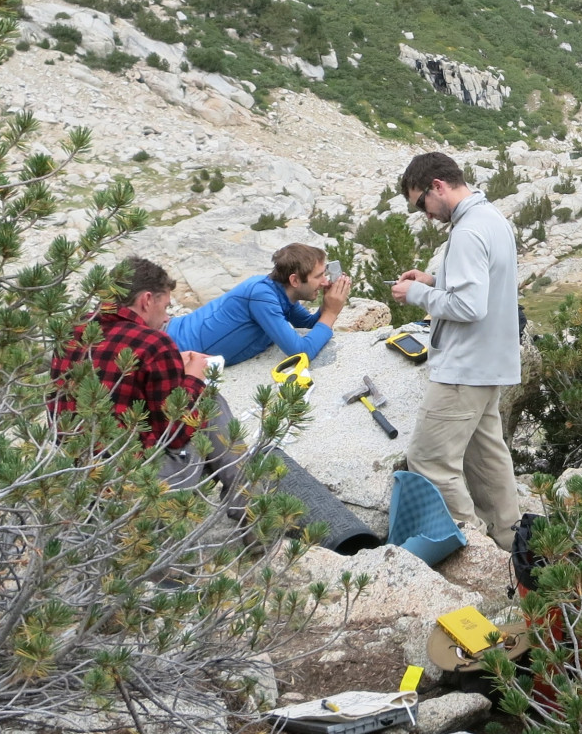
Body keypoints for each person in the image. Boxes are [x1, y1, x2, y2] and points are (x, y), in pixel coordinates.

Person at [391, 151, 521, 551]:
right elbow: (482, 283)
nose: (426, 215)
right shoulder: (491, 218)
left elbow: (469, 306)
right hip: (489, 363)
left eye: (421, 204)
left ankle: (474, 548)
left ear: (437, 186)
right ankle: (511, 542)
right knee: (486, 459)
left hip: (463, 367)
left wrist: (416, 293)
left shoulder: (466, 231)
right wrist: (435, 279)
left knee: (429, 460)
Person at [51, 256, 242, 497]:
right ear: (147, 300)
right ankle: (249, 500)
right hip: (133, 478)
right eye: (166, 307)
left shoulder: (72, 330)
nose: (166, 318)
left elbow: (116, 381)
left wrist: (173, 365)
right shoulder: (154, 343)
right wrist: (194, 379)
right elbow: (175, 435)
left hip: (75, 470)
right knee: (208, 400)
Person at [167, 242, 354, 363]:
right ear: (295, 280)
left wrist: (327, 304)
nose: (325, 282)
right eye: (319, 276)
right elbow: (301, 353)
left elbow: (308, 324)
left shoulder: (281, 293)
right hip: (171, 346)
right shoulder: (262, 296)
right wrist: (331, 312)